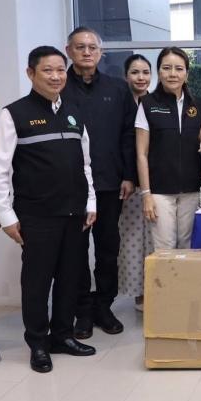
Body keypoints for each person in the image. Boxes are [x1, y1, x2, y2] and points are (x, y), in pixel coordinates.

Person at [0, 46, 97, 373]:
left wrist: (90, 202)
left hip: (75, 213)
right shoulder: (14, 114)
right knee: (37, 282)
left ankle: (62, 335)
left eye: (60, 70)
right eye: (48, 70)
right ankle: (37, 342)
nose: (56, 76)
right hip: (36, 215)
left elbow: (85, 164)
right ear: (31, 73)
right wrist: (6, 216)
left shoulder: (74, 112)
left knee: (70, 278)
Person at [63, 26, 136, 340]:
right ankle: (81, 309)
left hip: (109, 183)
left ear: (101, 53)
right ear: (69, 51)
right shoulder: (59, 86)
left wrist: (129, 175)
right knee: (75, 251)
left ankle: (104, 305)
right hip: (71, 186)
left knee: (108, 248)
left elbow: (129, 135)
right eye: (80, 47)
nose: (87, 52)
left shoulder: (117, 89)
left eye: (92, 47)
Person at [136, 47, 201, 250]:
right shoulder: (147, 104)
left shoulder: (197, 105)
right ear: (159, 72)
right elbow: (141, 154)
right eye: (166, 68)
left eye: (179, 68)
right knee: (164, 248)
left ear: (186, 73)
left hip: (193, 189)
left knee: (188, 246)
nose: (172, 74)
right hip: (159, 191)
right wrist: (146, 194)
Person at [117, 54, 154, 312]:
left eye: (145, 72)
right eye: (135, 72)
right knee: (130, 240)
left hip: (154, 180)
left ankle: (156, 290)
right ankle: (138, 294)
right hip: (127, 182)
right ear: (126, 76)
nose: (140, 77)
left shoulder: (156, 103)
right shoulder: (119, 104)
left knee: (153, 238)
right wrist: (126, 176)